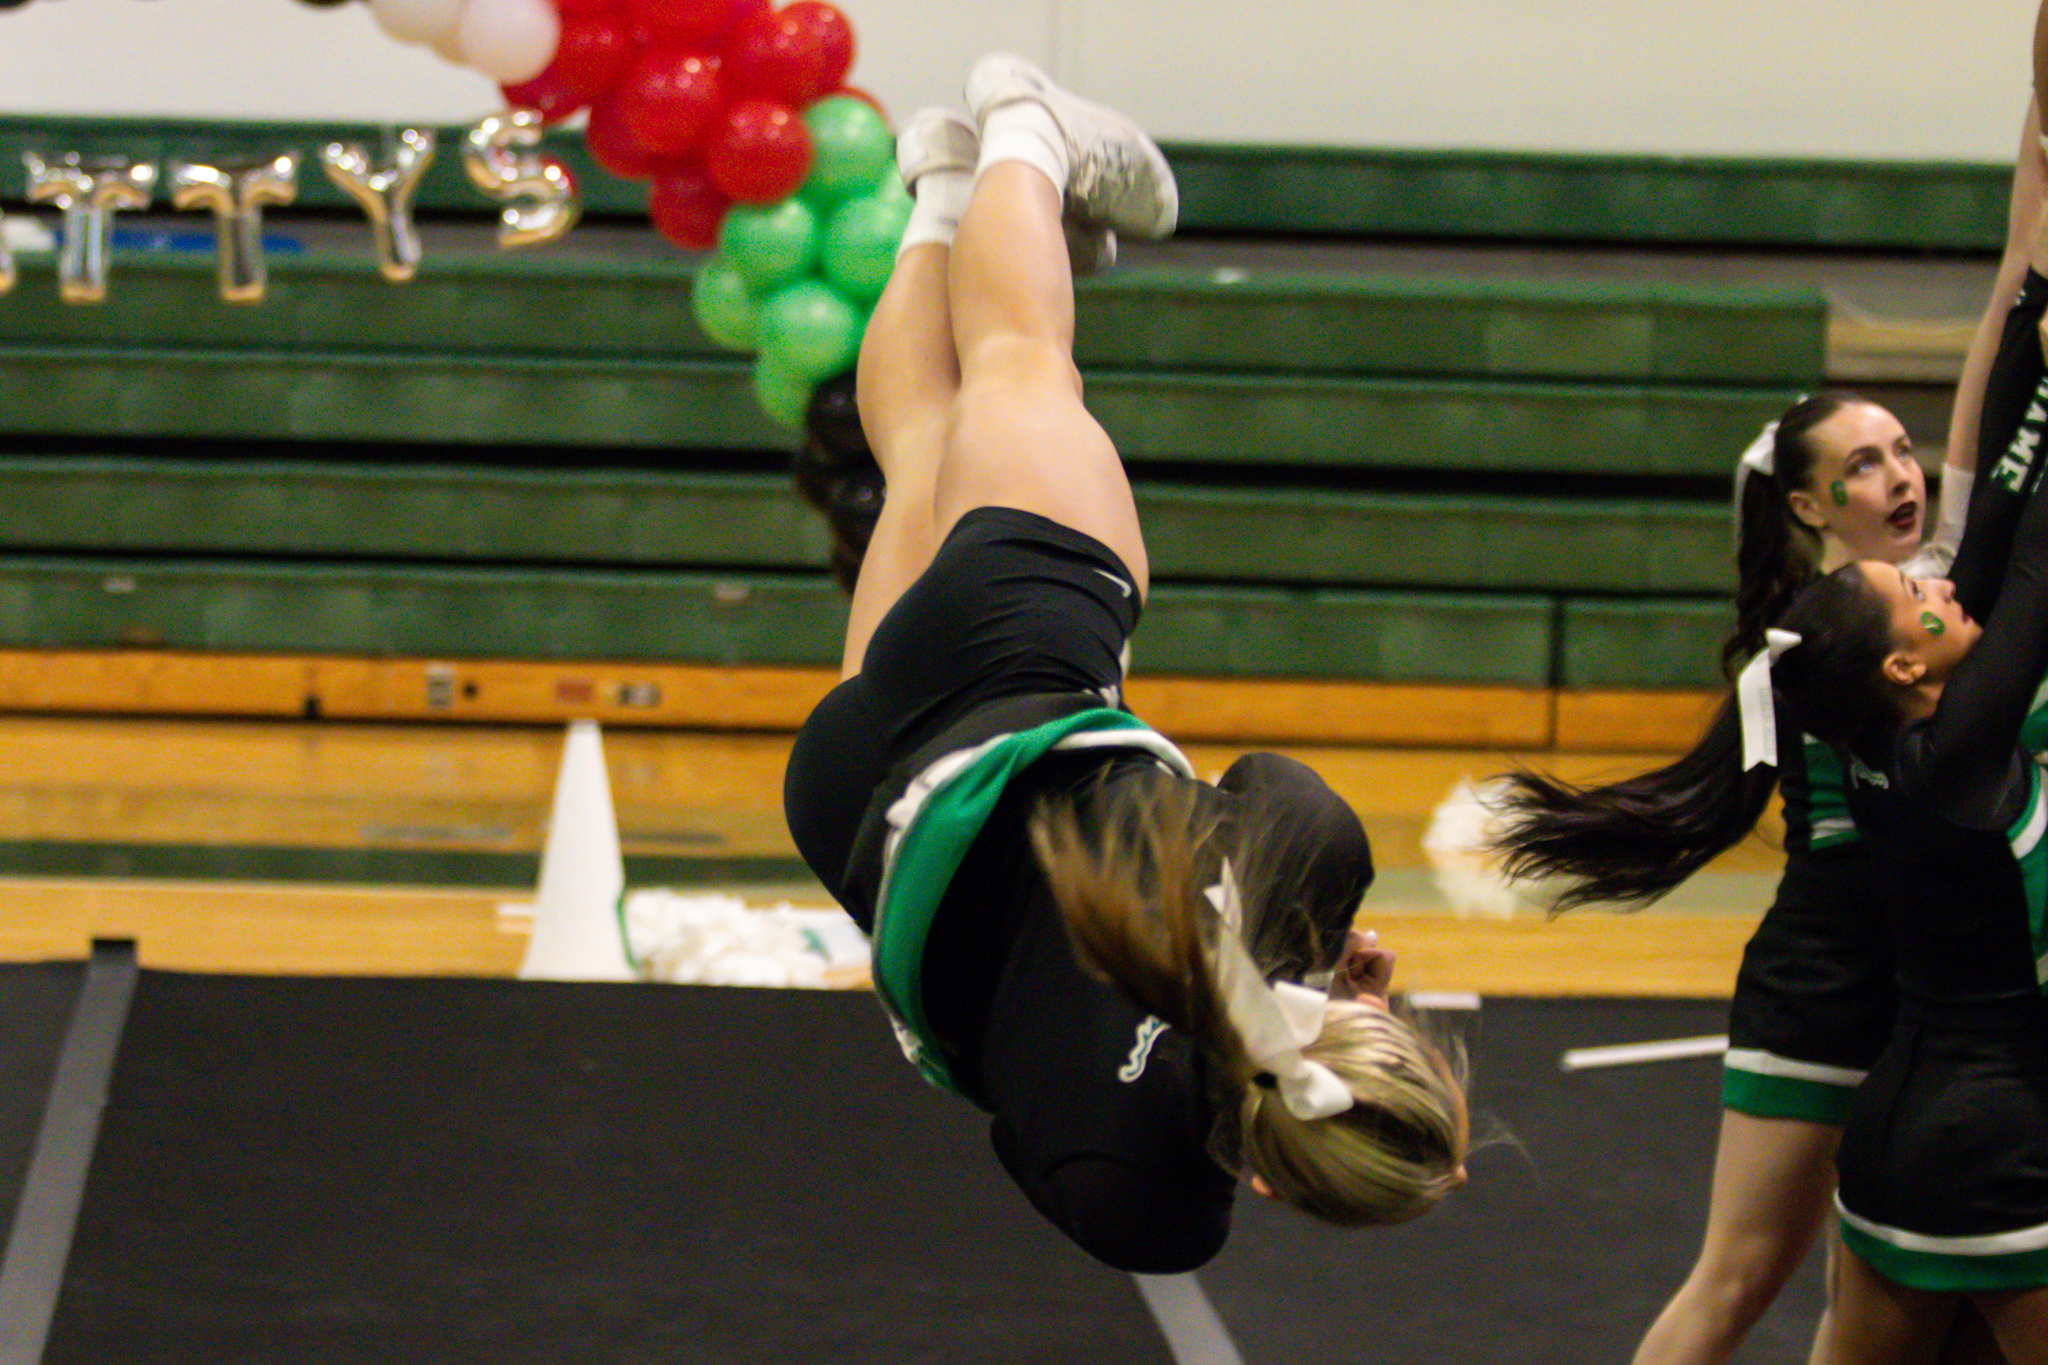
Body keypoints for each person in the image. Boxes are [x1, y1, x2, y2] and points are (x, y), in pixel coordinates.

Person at [781, 53, 1468, 1273]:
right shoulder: (1146, 1211)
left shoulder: (1298, 884)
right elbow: (1017, 1124)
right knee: (921, 445)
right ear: (1273, 1176)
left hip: (1011, 670)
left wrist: (1298, 947)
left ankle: (1026, 127)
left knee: (1020, 361)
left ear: (1375, 1029)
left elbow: (1274, 787)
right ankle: (943, 192)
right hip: (856, 809)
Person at [1496, 99, 2048, 1365]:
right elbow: (2013, 515)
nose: (1900, 474)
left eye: (1901, 450)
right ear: (1806, 506)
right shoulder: (1828, 648)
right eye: (1863, 465)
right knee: (1739, 1276)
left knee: (1876, 1300)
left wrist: (2033, 166)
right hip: (1839, 977)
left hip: (1924, 996)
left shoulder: (1921, 602)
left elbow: (1991, 385)